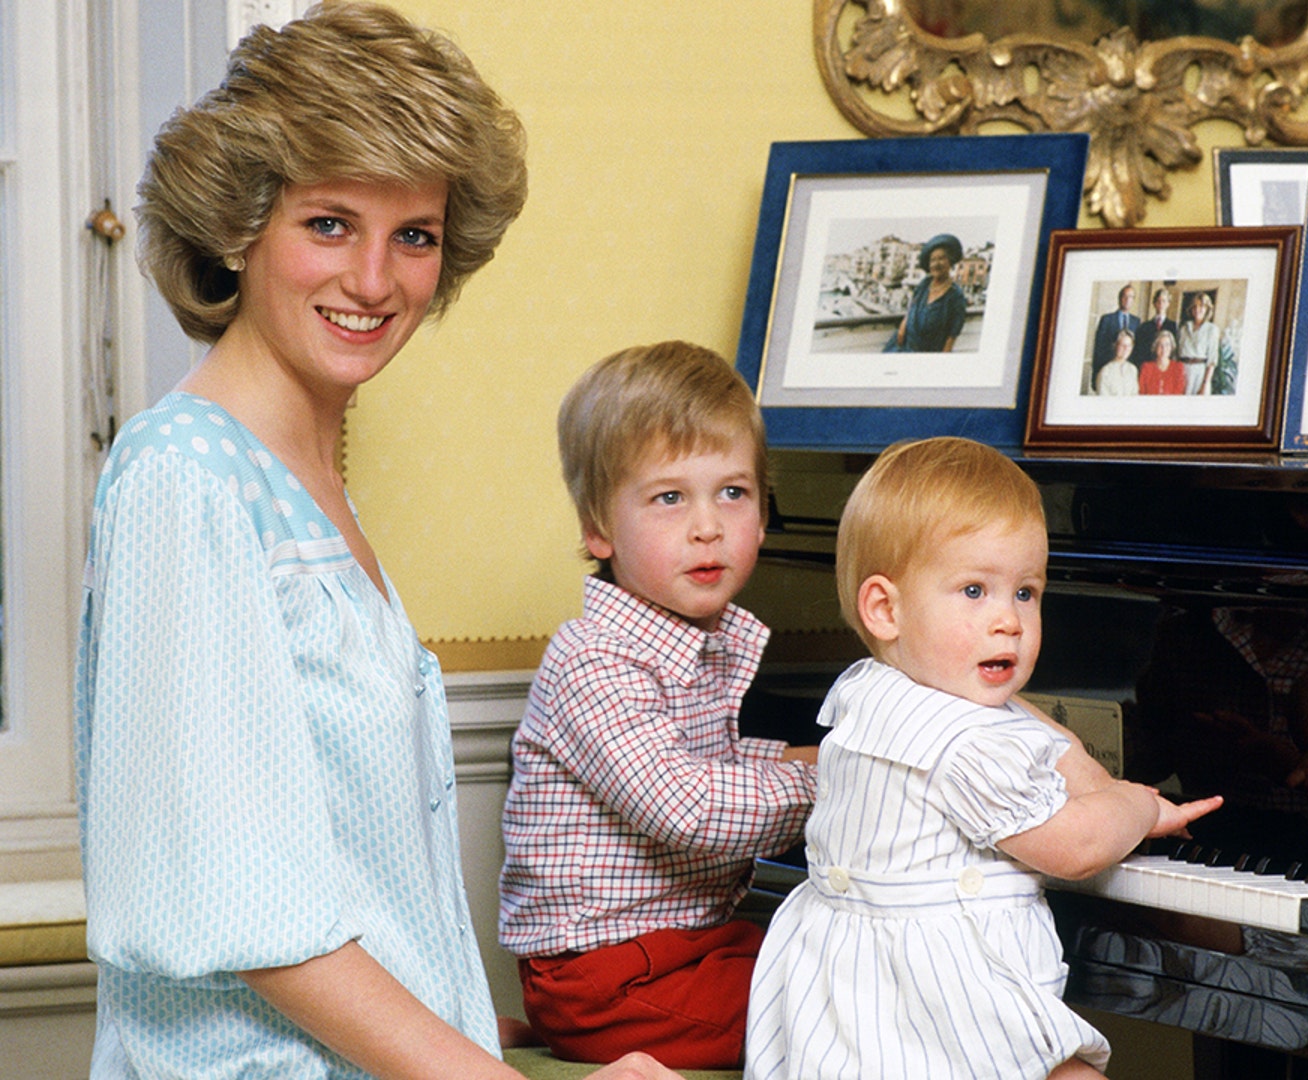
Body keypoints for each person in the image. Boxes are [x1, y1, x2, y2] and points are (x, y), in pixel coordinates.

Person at [72, 4, 669, 1077]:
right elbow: (250, 911)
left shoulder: (304, 481)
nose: (376, 282)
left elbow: (353, 878)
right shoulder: (186, 477)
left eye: (416, 236)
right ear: (239, 226)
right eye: (330, 223)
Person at [742, 437, 1221, 1080]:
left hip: (848, 994)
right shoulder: (963, 746)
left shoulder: (872, 687)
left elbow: (1047, 740)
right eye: (974, 590)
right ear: (885, 608)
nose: (1009, 621)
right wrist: (1131, 805)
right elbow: (1074, 849)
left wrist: (1108, 785)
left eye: (1025, 592)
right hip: (937, 1007)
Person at [499, 342, 819, 1068]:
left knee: (847, 952)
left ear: (763, 515)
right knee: (839, 1002)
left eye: (732, 493)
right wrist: (838, 779)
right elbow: (689, 806)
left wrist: (811, 756)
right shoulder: (594, 660)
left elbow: (715, 761)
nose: (707, 526)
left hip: (683, 944)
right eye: (670, 497)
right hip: (602, 976)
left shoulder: (695, 642)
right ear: (597, 528)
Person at [883, 233, 968, 353]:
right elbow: (913, 306)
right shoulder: (925, 283)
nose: (936, 264)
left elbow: (952, 335)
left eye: (941, 258)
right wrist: (903, 326)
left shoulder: (955, 296)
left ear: (950, 261)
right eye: (933, 260)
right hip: (903, 345)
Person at [1089, 283, 1140, 381]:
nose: (1127, 300)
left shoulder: (1136, 322)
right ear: (1120, 298)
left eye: (1131, 297)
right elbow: (1098, 348)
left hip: (1126, 372)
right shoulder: (1107, 319)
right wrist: (1096, 373)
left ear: (1133, 300)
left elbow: (1136, 350)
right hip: (1108, 369)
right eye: (1125, 296)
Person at [1175, 290, 1221, 394]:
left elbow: (1212, 360)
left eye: (1201, 306)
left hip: (1200, 373)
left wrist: (1205, 383)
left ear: (1207, 309)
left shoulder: (1212, 329)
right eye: (1194, 306)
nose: (1197, 309)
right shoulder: (1184, 328)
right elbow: (1177, 353)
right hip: (1182, 370)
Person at [1093, 327, 1140, 396]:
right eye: (1122, 345)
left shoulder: (1133, 369)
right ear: (1115, 346)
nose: (1126, 348)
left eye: (1129, 345)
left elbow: (1135, 395)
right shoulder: (1105, 371)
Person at [1138, 328, 1186, 395]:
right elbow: (1142, 392)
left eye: (1167, 345)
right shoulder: (1146, 367)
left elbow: (1179, 392)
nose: (1164, 348)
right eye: (1160, 345)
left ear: (1171, 347)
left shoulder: (1178, 367)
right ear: (1155, 347)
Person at [1138, 285, 1179, 355]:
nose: (1161, 304)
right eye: (1158, 301)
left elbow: (1174, 350)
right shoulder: (1145, 326)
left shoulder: (1173, 326)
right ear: (1154, 303)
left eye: (1164, 301)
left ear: (1168, 304)